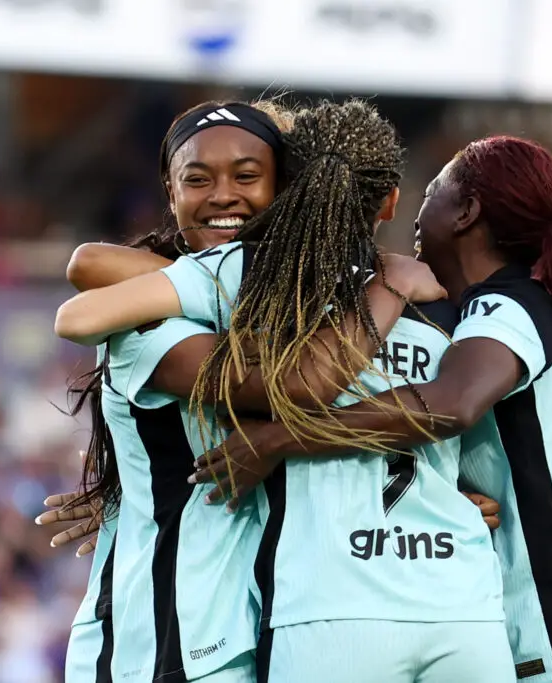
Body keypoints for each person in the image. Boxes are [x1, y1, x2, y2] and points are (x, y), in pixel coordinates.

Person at [55, 100, 516, 683]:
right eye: (197, 179)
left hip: (265, 629)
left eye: (248, 176)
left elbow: (355, 420)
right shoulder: (158, 317)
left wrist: (437, 499)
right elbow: (301, 386)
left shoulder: (300, 310)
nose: (223, 195)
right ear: (169, 194)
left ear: (289, 190)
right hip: (166, 637)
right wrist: (388, 285)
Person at [190, 136, 552, 683]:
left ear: (466, 210)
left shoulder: (510, 305)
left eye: (435, 189)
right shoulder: (487, 314)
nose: (418, 208)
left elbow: (451, 406)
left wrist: (282, 438)